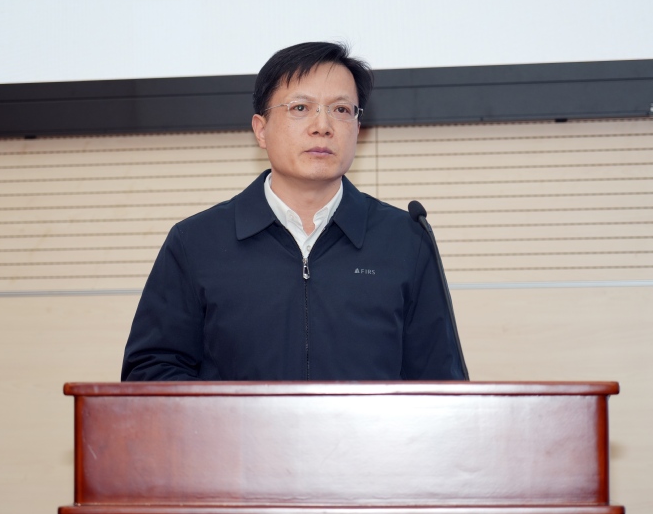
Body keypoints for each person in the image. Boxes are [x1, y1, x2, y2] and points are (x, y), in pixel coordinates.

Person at [121, 41, 467, 381]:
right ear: (261, 130)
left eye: (341, 110)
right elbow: (151, 373)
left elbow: (441, 384)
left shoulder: (405, 240)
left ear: (358, 130)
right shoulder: (196, 242)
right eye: (300, 107)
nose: (322, 126)